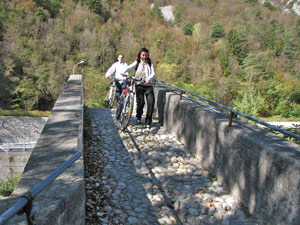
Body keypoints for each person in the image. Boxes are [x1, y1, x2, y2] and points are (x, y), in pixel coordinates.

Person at [122, 48, 156, 127]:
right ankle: (138, 117)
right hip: (139, 84)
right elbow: (129, 67)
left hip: (149, 85)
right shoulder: (137, 62)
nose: (144, 56)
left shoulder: (150, 63)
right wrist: (124, 72)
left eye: (146, 55)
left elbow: (153, 73)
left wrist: (149, 78)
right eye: (143, 55)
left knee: (151, 102)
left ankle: (148, 121)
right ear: (140, 55)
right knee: (141, 102)